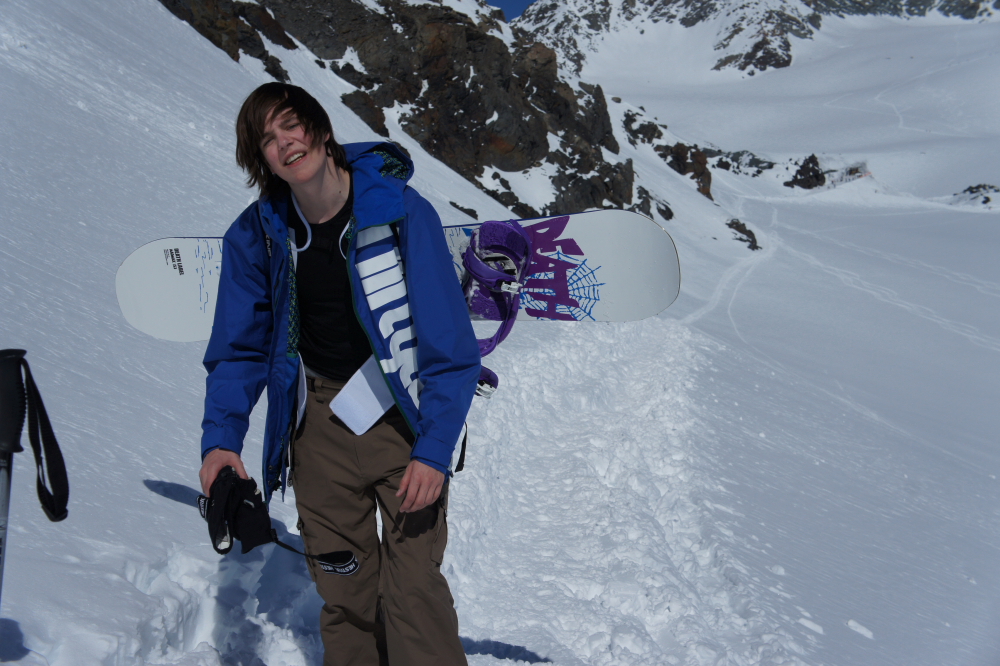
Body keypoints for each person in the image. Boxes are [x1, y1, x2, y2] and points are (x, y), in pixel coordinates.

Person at [197, 82, 480, 665]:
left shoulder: (401, 212)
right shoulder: (258, 236)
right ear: (262, 160)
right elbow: (239, 350)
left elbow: (449, 346)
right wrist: (221, 440)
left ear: (321, 130)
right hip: (317, 426)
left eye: (291, 125)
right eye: (267, 139)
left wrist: (434, 451)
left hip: (401, 415)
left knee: (414, 591)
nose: (284, 143)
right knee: (344, 589)